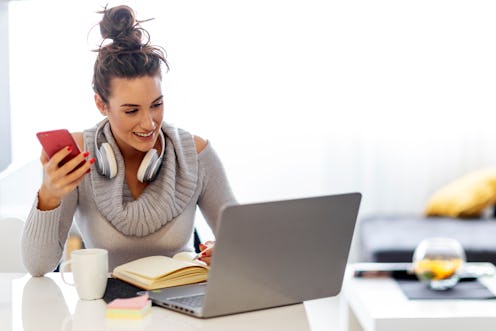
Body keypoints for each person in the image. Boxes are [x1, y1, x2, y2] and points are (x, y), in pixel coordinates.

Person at [21, 5, 237, 276]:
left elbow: (244, 245)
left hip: (183, 304)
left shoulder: (195, 153)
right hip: (106, 310)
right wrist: (48, 196)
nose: (148, 123)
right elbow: (37, 267)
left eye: (156, 105)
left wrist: (228, 252)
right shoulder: (79, 154)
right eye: (131, 110)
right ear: (101, 104)